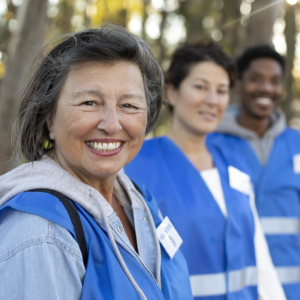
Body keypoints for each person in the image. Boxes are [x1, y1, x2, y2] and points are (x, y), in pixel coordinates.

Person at [0, 24, 193, 300]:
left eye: (129, 105)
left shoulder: (138, 200)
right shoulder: (41, 234)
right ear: (49, 118)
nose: (112, 125)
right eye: (90, 103)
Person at [125, 42, 286, 300]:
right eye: (200, 87)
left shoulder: (236, 166)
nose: (212, 100)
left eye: (221, 91)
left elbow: (260, 259)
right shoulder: (134, 165)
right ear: (173, 93)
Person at [207, 45, 300, 299]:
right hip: (238, 290)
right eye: (256, 79)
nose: (266, 89)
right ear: (238, 83)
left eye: (275, 81)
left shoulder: (297, 144)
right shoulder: (210, 144)